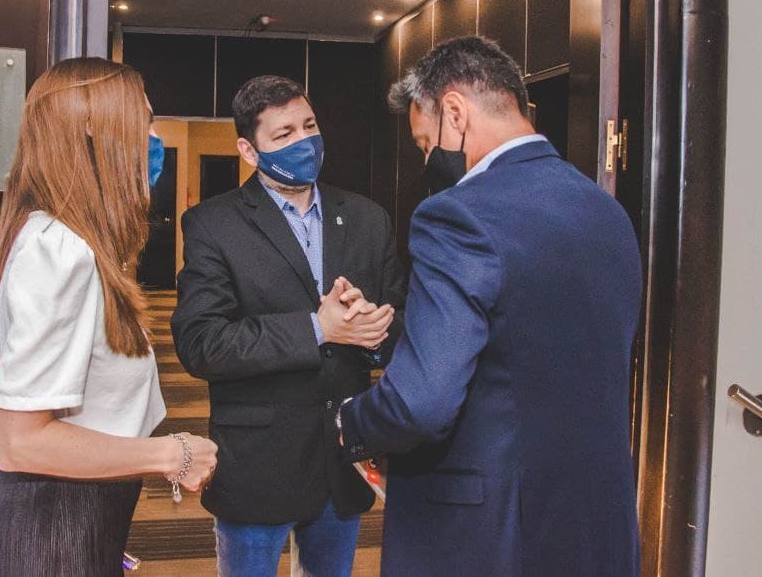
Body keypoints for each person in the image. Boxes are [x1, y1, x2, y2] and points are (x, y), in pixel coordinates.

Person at [337, 36, 643, 576]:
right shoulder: (605, 210)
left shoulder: (457, 215)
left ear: (455, 112)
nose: (428, 160)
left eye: (425, 143)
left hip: (488, 537)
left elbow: (419, 405)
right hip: (594, 523)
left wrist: (350, 422)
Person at [0, 58, 217, 576]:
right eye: (142, 123)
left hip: (77, 517)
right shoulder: (60, 248)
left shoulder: (68, 241)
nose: (151, 140)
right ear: (92, 129)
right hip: (51, 526)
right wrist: (170, 455)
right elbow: (20, 443)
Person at [171, 75, 405, 576]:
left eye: (310, 125)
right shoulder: (213, 224)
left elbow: (400, 326)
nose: (304, 141)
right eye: (284, 134)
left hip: (343, 460)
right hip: (258, 464)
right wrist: (318, 329)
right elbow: (202, 343)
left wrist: (373, 331)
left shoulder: (368, 219)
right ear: (248, 150)